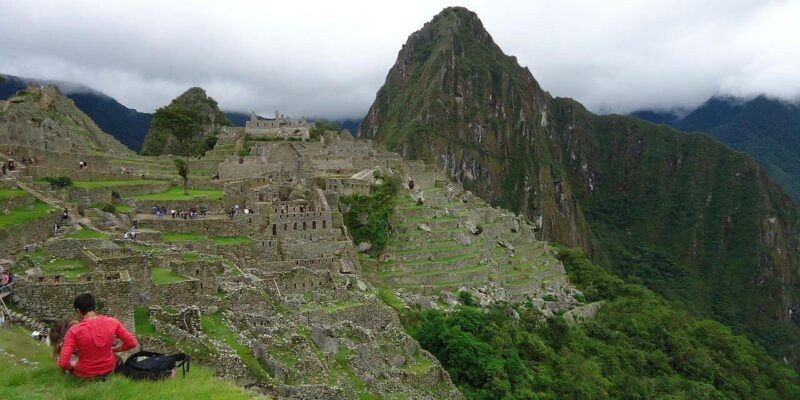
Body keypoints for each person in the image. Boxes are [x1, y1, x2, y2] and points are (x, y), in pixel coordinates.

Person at [58, 293, 138, 379]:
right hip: (109, 369)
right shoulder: (113, 322)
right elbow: (132, 343)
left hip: (84, 374)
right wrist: (113, 349)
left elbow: (63, 363)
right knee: (118, 359)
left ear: (78, 311)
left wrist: (72, 368)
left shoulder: (73, 331)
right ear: (94, 307)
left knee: (67, 360)